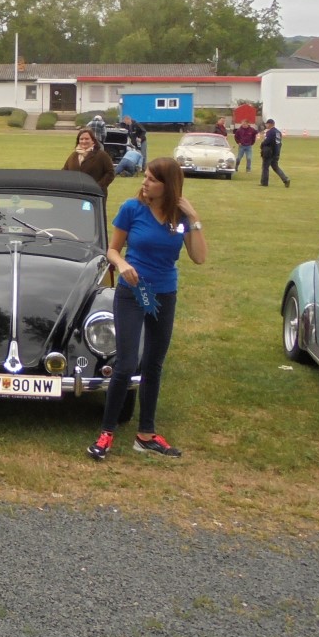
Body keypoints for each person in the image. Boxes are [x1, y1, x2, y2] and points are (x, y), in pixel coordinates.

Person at [88, 157, 208, 461]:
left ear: (168, 185)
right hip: (134, 291)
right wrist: (124, 264)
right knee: (127, 363)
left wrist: (193, 219)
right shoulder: (132, 209)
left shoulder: (178, 216)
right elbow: (112, 250)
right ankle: (106, 433)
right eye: (145, 177)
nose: (145, 182)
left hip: (164, 293)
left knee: (154, 363)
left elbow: (199, 257)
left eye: (152, 179)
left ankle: (146, 435)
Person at [61, 127, 115, 192]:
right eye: (81, 139)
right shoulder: (73, 155)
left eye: (87, 139)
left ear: (93, 140)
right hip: (75, 194)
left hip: (95, 194)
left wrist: (98, 186)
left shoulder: (102, 155)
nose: (84, 141)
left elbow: (110, 173)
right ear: (78, 141)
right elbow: (65, 171)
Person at [259, 118, 290, 188]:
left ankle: (264, 182)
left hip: (269, 152)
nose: (266, 125)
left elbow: (267, 141)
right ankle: (285, 179)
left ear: (270, 124)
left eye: (267, 124)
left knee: (265, 167)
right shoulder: (278, 132)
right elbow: (278, 143)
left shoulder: (270, 132)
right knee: (275, 167)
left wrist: (262, 144)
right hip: (276, 152)